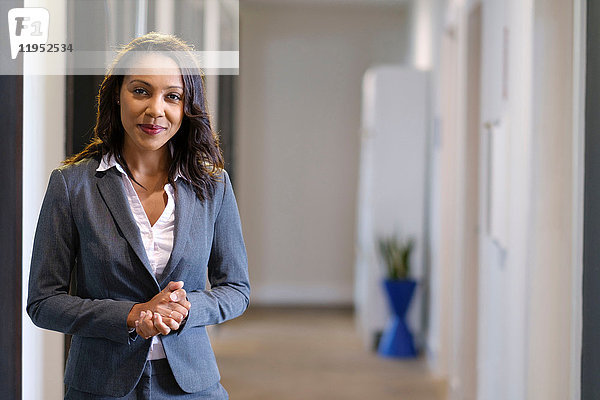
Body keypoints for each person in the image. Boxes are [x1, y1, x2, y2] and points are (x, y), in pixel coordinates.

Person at [27, 32, 250, 399]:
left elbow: (236, 290)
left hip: (190, 386)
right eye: (141, 91)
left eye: (172, 96)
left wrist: (186, 308)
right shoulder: (72, 186)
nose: (155, 110)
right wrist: (132, 315)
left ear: (186, 105)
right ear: (118, 94)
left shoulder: (213, 186)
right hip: (100, 385)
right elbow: (43, 302)